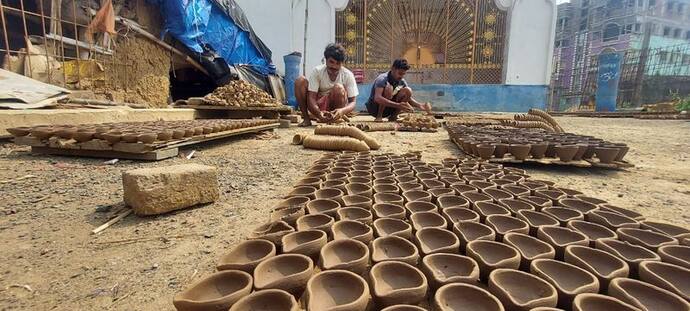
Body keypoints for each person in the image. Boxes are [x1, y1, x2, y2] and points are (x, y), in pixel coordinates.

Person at [294, 43, 359, 126]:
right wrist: (318, 113)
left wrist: (342, 111)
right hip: (317, 106)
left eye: (338, 63)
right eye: (331, 62)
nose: (334, 66)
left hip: (336, 107)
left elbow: (353, 102)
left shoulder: (347, 75)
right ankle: (307, 119)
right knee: (300, 81)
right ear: (326, 60)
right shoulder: (317, 71)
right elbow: (311, 97)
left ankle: (334, 119)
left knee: (338, 88)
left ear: (342, 63)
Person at [365, 59, 432, 122]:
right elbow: (377, 98)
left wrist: (420, 105)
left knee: (408, 90)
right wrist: (398, 105)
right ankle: (379, 117)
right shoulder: (382, 79)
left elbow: (408, 98)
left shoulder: (402, 81)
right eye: (400, 73)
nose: (401, 76)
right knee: (389, 88)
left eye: (403, 74)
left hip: (389, 109)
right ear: (393, 69)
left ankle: (393, 116)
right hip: (374, 108)